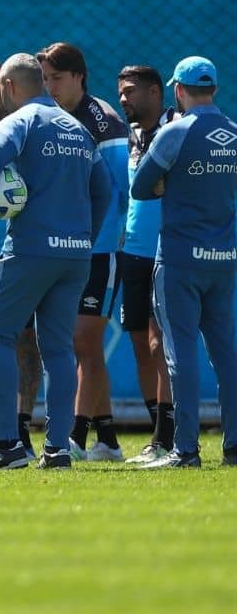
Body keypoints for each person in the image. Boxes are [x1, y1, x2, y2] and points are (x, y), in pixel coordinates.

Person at [0, 53, 111, 470]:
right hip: (75, 254)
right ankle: (58, 449)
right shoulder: (77, 128)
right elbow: (105, 192)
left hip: (29, 250)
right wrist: (84, 238)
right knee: (59, 348)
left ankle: (7, 446)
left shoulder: (18, 121)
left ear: (8, 87)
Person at [130, 56, 237, 469]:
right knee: (227, 353)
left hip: (179, 259)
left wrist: (170, 181)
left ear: (178, 90)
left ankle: (186, 449)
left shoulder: (175, 132)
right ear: (214, 88)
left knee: (181, 353)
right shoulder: (232, 132)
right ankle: (232, 447)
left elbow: (141, 187)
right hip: (224, 258)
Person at [37, 42, 129, 462]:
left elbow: (117, 191)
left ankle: (73, 435)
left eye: (56, 77)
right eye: (45, 78)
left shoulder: (103, 120)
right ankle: (107, 439)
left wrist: (97, 241)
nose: (50, 86)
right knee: (81, 343)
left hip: (99, 248)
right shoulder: (53, 118)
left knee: (83, 338)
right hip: (67, 246)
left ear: (78, 76)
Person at [116, 65, 178, 464]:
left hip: (168, 250)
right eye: (120, 93)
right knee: (140, 341)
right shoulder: (130, 136)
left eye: (131, 92)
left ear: (156, 93)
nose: (124, 99)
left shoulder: (178, 130)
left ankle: (169, 437)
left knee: (161, 344)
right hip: (133, 252)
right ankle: (157, 436)